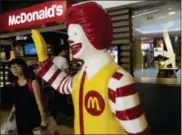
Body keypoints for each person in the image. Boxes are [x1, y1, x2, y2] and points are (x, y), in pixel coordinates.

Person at [31, 2, 148, 134]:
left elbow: (138, 130)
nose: (70, 40)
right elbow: (63, 84)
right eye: (69, 36)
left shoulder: (118, 81)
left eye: (75, 34)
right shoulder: (81, 77)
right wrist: (44, 60)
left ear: (95, 32)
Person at [7, 58, 47, 134]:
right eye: (12, 67)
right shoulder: (14, 84)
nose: (14, 69)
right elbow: (16, 102)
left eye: (17, 66)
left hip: (33, 115)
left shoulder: (32, 82)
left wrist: (43, 118)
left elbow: (39, 102)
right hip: (20, 117)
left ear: (23, 67)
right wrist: (11, 114)